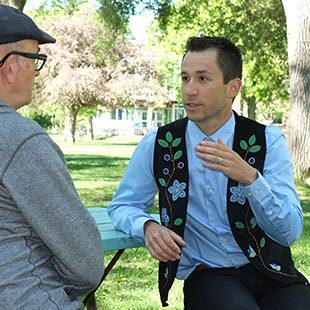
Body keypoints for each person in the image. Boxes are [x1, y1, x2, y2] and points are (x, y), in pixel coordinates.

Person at [108, 35, 310, 309]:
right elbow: (123, 205)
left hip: (273, 271)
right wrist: (147, 226)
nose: (189, 90)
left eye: (202, 79)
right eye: (185, 78)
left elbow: (289, 232)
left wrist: (251, 179)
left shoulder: (267, 141)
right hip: (210, 276)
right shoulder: (159, 143)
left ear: (233, 87)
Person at [0, 5, 104, 309]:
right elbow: (86, 264)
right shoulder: (19, 139)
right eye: (35, 60)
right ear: (9, 67)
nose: (36, 72)